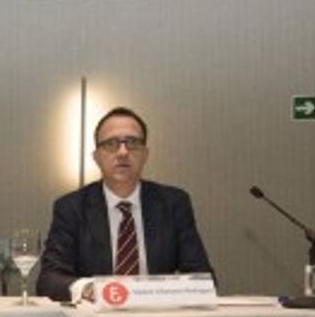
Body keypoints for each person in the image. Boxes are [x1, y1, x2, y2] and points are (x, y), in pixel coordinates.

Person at [36, 106, 214, 302]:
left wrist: (161, 293)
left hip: (156, 316)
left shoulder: (173, 203)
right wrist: (90, 289)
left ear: (145, 154)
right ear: (97, 157)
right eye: (111, 144)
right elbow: (48, 280)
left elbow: (203, 279)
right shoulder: (71, 208)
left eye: (133, 143)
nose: (123, 152)